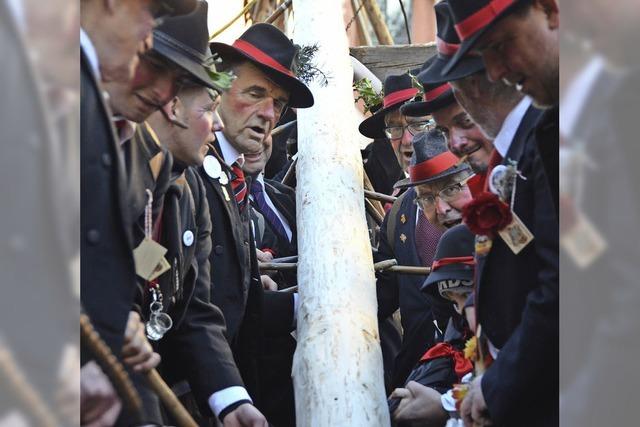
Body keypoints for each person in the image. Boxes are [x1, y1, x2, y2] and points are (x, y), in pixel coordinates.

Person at [200, 23, 313, 417]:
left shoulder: (233, 180)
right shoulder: (192, 172)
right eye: (255, 94)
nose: (268, 114)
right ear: (217, 91)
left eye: (278, 103)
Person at [80, 0, 194, 369]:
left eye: (177, 84)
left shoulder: (160, 164)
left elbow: (135, 255)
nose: (163, 94)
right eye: (210, 108)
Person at [376, 129, 473, 390]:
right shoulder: (398, 217)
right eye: (427, 198)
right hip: (420, 372)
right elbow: (383, 297)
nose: (441, 208)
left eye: (452, 188)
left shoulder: (505, 237)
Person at [445, 0, 559, 212]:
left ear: (547, 9)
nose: (494, 73)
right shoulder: (550, 127)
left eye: (499, 46)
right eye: (483, 55)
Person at [391, 224, 477, 426]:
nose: (464, 310)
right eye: (455, 302)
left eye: (468, 295)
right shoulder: (450, 355)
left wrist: (443, 407)